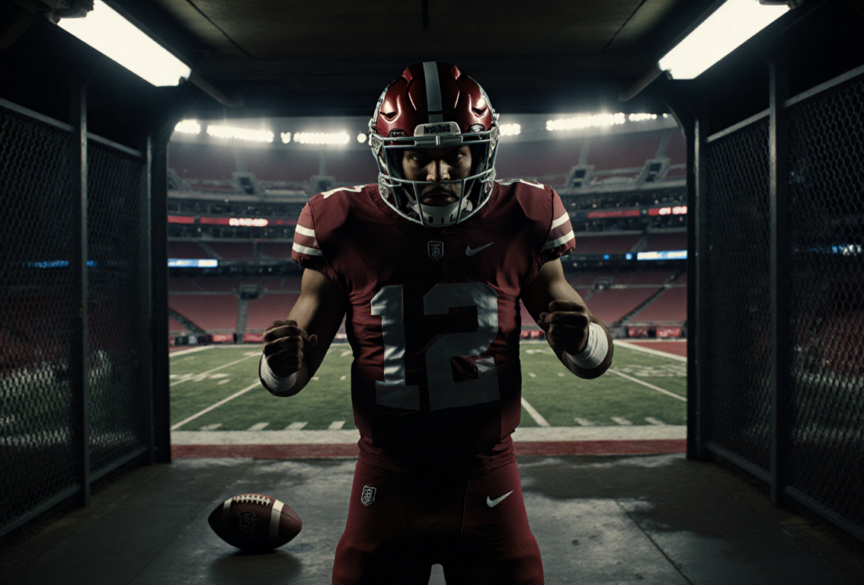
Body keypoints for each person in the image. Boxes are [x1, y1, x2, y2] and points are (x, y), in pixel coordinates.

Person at [259, 62, 613, 585]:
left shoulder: (525, 215)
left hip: (487, 473)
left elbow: (593, 360)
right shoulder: (340, 223)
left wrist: (582, 340)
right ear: (387, 157)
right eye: (418, 158)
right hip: (386, 475)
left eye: (455, 155)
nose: (439, 174)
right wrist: (279, 362)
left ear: (483, 150)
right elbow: (288, 378)